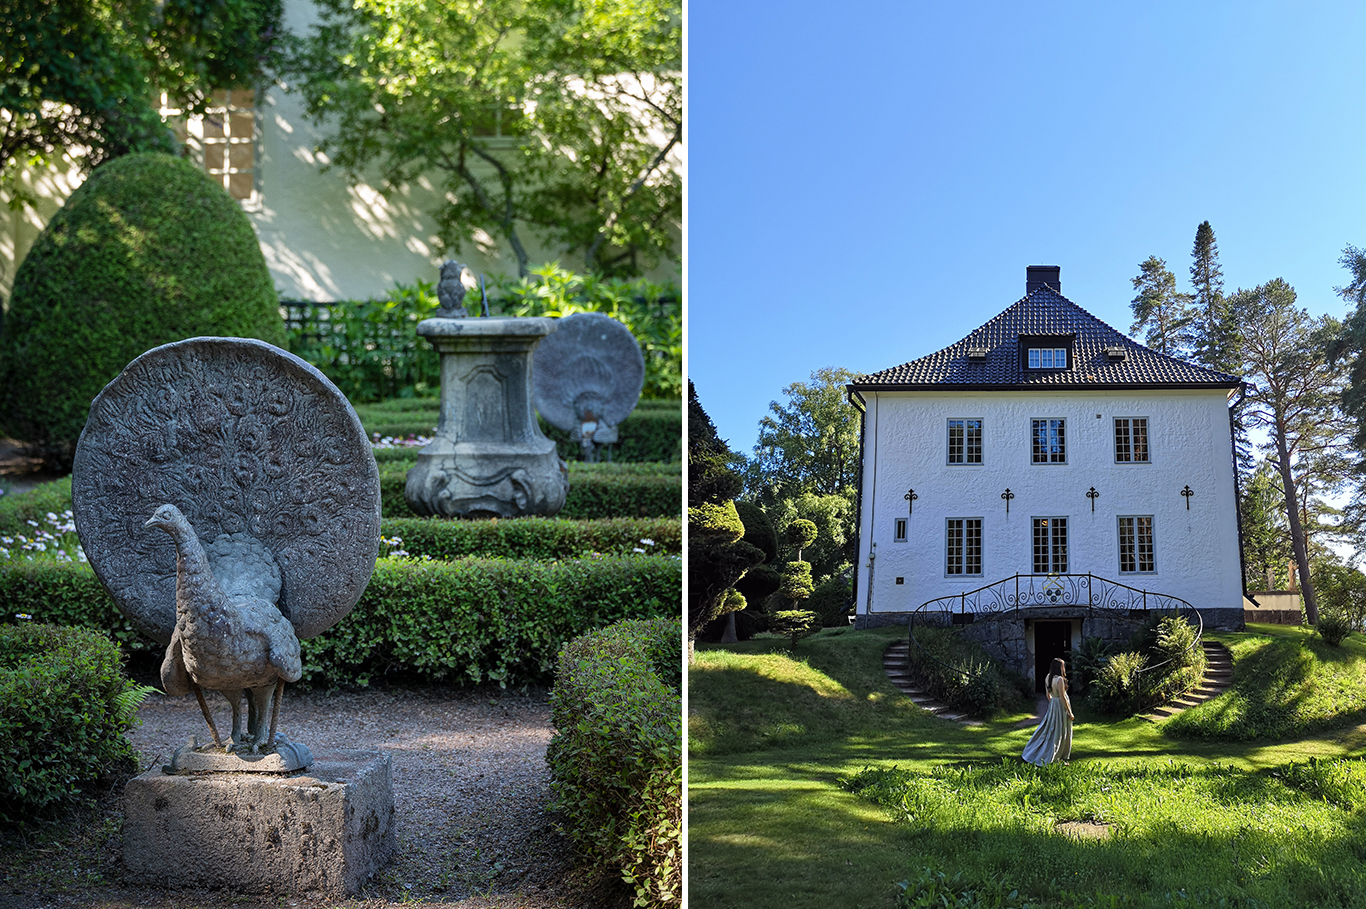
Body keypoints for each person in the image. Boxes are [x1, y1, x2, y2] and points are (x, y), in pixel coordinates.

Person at [1022, 657, 1073, 766]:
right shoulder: (1059, 680)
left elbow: (1048, 695)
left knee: (1051, 728)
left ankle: (1055, 756)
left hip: (1053, 705)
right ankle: (1056, 757)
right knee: (1060, 731)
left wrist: (1053, 705)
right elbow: (1062, 697)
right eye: (1063, 666)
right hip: (1059, 706)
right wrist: (1069, 711)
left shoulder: (1048, 677)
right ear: (1060, 668)